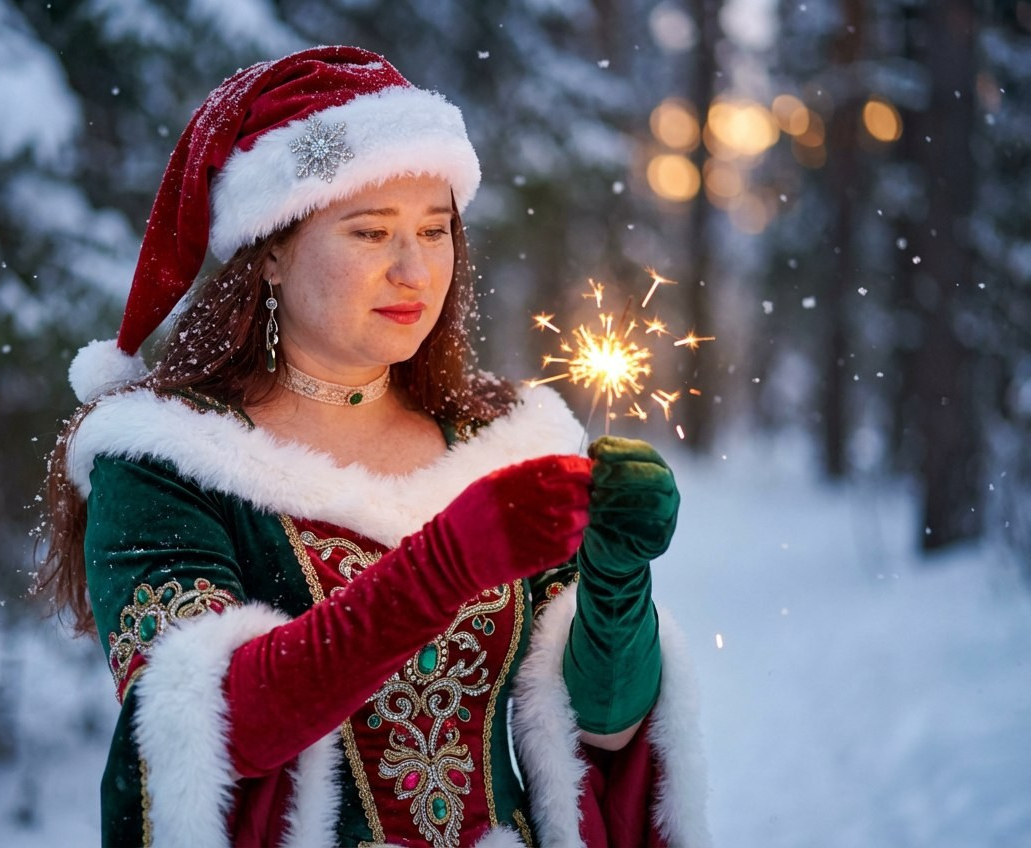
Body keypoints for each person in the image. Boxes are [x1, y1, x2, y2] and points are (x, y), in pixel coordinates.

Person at [37, 46, 709, 848]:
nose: (414, 269)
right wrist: (446, 563)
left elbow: (601, 732)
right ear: (272, 252)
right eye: (370, 232)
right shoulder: (164, 460)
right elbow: (215, 728)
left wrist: (615, 579)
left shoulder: (506, 441)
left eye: (434, 230)